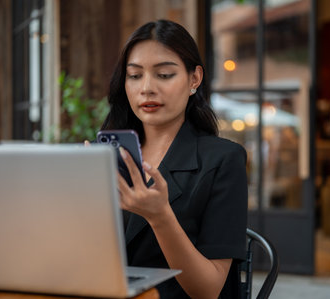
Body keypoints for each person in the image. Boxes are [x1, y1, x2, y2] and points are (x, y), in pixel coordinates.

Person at [100, 20, 248, 298]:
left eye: (164, 75)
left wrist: (160, 217)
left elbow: (208, 289)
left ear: (194, 79)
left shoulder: (223, 160)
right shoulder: (108, 156)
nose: (146, 88)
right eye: (134, 76)